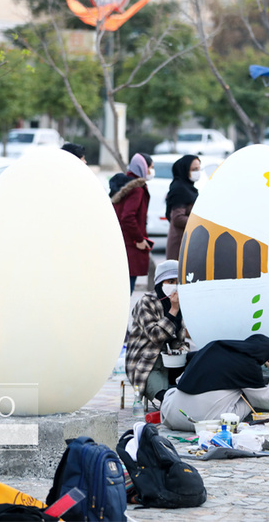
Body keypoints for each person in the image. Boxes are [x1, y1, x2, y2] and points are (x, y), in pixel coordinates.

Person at [161, 334, 269, 432]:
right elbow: (267, 401)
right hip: (203, 422)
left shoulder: (213, 347)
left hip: (172, 416)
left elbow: (179, 380)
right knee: (251, 397)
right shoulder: (248, 365)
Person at [126, 260, 187, 403]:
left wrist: (181, 349)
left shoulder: (182, 302)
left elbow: (180, 339)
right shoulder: (147, 302)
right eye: (171, 281)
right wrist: (173, 310)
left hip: (171, 360)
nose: (175, 286)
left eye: (178, 282)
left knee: (199, 362)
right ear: (161, 283)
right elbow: (155, 335)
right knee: (166, 399)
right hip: (147, 363)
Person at [112, 153, 154, 293]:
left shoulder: (124, 184)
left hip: (120, 241)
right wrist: (139, 239)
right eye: (150, 168)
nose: (151, 172)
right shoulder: (137, 189)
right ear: (143, 167)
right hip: (131, 244)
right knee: (126, 288)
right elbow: (127, 217)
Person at [165, 155, 200, 260]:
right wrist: (199, 222)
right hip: (180, 245)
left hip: (187, 242)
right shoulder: (180, 189)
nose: (197, 172)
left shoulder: (189, 189)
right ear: (185, 170)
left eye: (198, 169)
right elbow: (177, 218)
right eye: (194, 169)